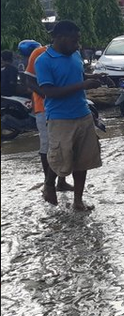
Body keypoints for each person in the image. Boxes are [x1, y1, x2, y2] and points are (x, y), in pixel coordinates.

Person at [33, 20, 103, 211]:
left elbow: (79, 76)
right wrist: (83, 85)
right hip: (60, 118)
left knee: (82, 160)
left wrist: (93, 78)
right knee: (59, 157)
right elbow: (49, 92)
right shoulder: (44, 60)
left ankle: (78, 201)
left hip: (83, 113)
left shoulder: (75, 55)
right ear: (60, 38)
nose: (77, 45)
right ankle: (49, 185)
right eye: (74, 40)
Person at [21, 39, 75, 202]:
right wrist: (47, 95)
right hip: (44, 108)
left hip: (65, 108)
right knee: (48, 146)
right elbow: (29, 81)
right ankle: (48, 184)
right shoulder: (39, 53)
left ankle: (61, 181)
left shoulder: (71, 53)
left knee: (65, 145)